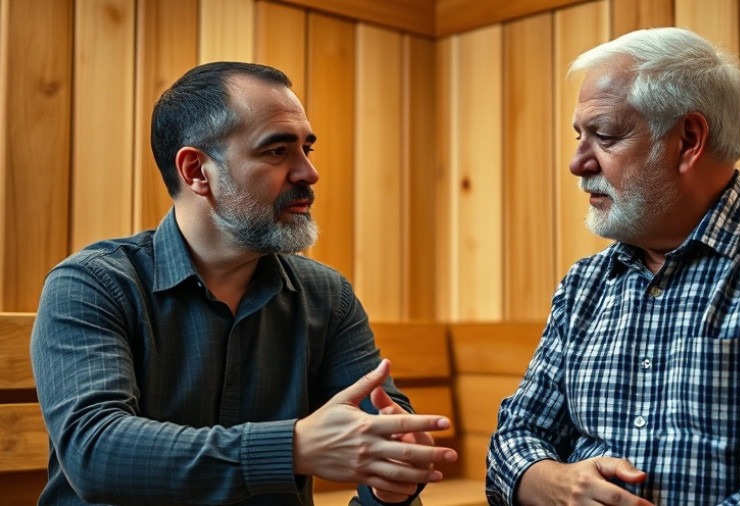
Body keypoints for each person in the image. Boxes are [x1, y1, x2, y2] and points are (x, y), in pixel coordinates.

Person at [486, 27, 740, 505]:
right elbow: (515, 434)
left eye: (604, 135)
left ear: (688, 139)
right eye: (580, 136)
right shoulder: (586, 285)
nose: (578, 163)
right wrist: (546, 481)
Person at [30, 61, 457, 505]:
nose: (308, 173)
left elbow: (386, 439)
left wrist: (395, 475)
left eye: (307, 149)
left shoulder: (327, 297)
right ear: (197, 171)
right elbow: (95, 451)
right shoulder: (91, 284)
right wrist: (293, 448)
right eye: (277, 151)